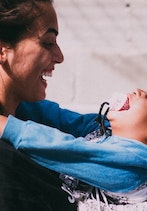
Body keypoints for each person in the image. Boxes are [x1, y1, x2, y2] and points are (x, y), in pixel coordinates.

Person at [0, 80, 147, 210]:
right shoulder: (103, 128)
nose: (137, 92)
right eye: (146, 88)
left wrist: (5, 126)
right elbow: (59, 118)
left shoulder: (132, 171)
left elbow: (68, 151)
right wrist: (17, 99)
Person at [0, 0, 98, 210]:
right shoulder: (4, 162)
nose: (60, 57)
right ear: (2, 50)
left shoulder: (37, 115)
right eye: (48, 42)